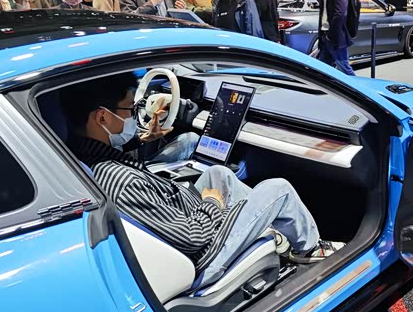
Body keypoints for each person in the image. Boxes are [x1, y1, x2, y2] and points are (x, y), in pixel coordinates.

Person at [62, 76, 344, 291]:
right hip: (203, 255)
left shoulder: (79, 156)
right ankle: (309, 249)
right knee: (278, 190)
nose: (134, 116)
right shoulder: (122, 182)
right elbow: (192, 238)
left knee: (218, 174)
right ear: (102, 117)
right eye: (129, 109)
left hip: (181, 222)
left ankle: (265, 228)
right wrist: (211, 204)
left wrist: (141, 139)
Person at [314, 0, 355, 77]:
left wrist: (330, 35)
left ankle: (359, 89)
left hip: (335, 37)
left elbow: (340, 14)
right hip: (325, 36)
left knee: (345, 70)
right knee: (324, 71)